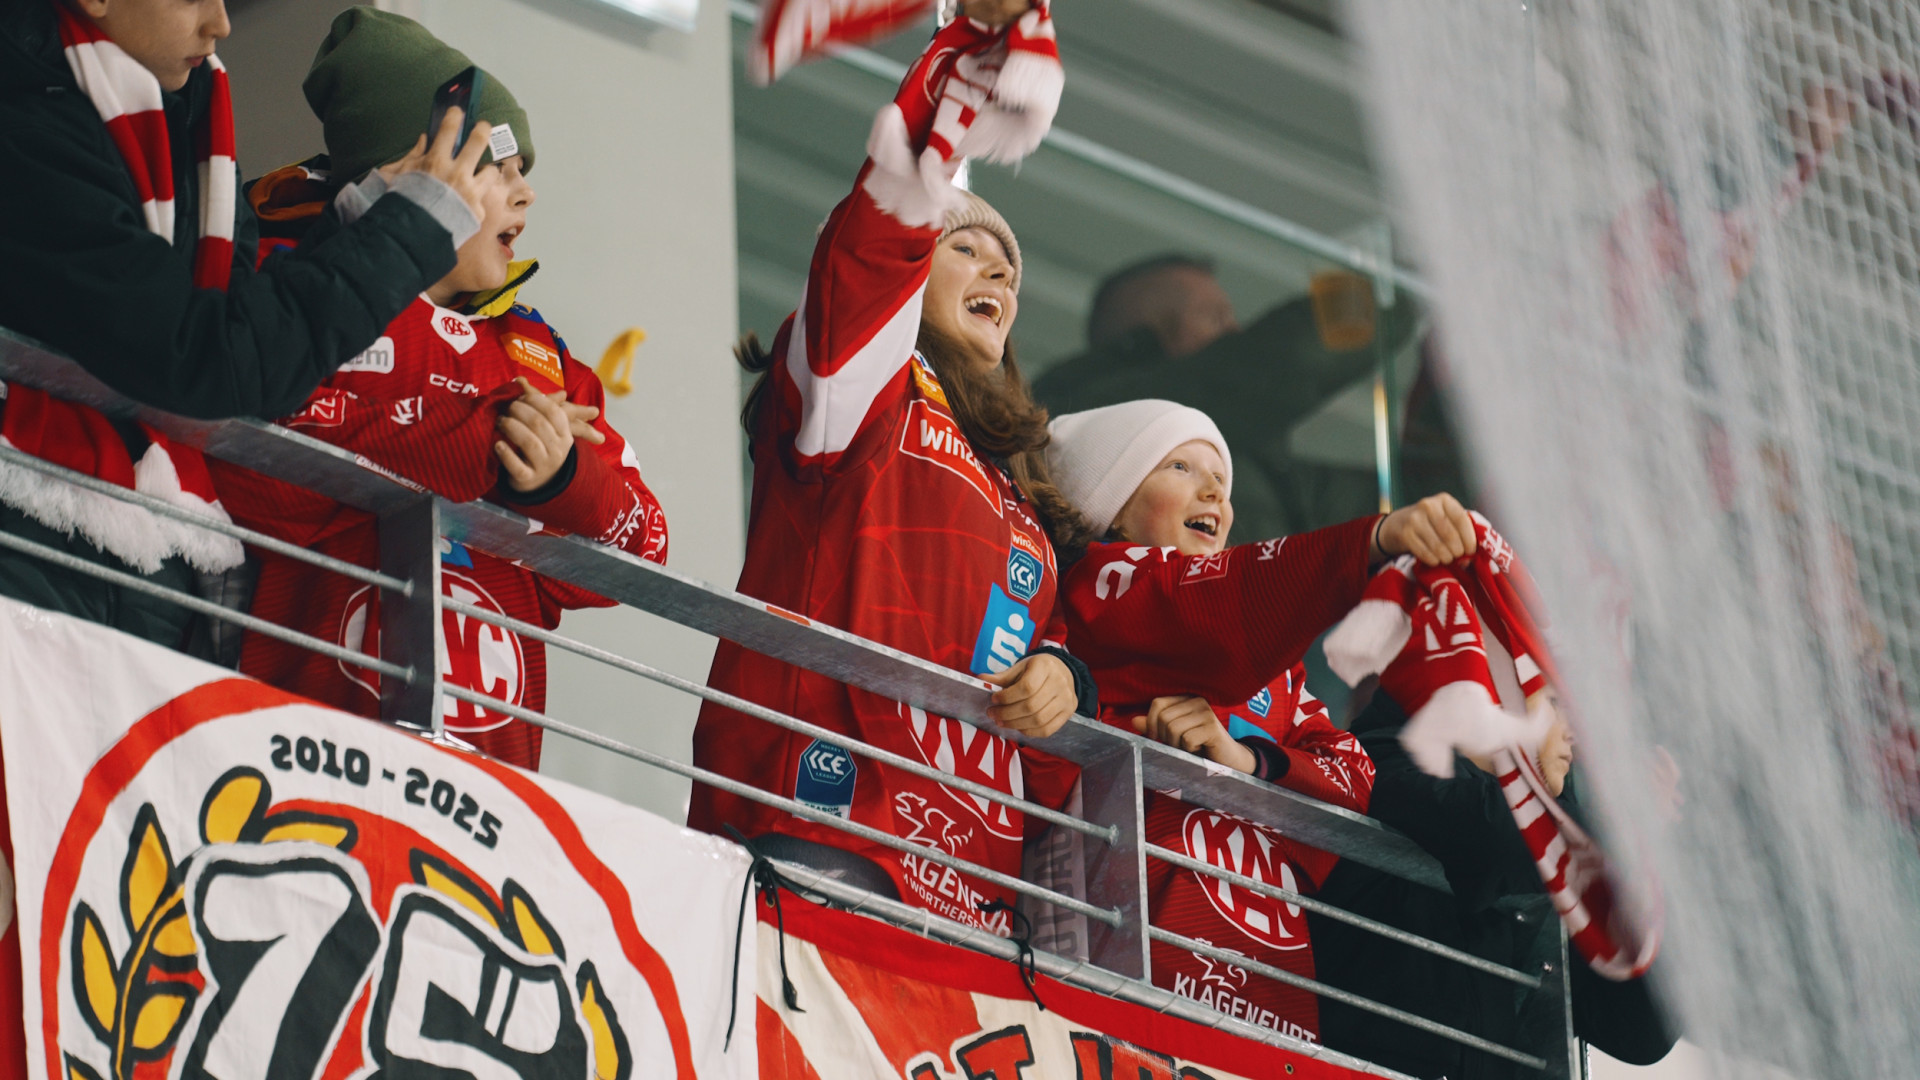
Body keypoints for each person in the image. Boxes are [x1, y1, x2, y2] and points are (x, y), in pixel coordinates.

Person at [689, 0, 1095, 933]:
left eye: (1009, 270)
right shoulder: (864, 393)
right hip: (828, 837)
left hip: (976, 898)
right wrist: (957, 80)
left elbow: (1055, 663)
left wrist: (1065, 674)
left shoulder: (1020, 495)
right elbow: (871, 255)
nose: (999, 275)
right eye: (966, 248)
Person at [206, 8, 667, 770]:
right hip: (298, 761)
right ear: (407, 173)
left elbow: (645, 546)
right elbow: (249, 477)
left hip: (488, 800)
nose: (526, 195)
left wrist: (561, 481)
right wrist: (477, 444)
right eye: (497, 167)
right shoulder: (300, 299)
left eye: (524, 172)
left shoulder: (543, 361)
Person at [0, 0, 487, 646]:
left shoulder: (189, 114)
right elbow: (206, 358)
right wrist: (406, 235)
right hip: (35, 533)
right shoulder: (24, 119)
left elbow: (238, 334)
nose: (221, 24)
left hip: (141, 548)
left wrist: (363, 221)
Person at [1045, 397, 1478, 1041]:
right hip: (1122, 997)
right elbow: (1210, 603)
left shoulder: (1276, 671)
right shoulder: (1095, 587)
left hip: (1269, 1017)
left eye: (1221, 480)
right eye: (1180, 466)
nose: (1215, 492)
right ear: (1110, 501)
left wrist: (1248, 761)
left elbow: (1355, 773)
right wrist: (1371, 541)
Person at [1308, 702, 1675, 1079]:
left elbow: (1638, 1033)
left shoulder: (1556, 841)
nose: (1575, 734)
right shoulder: (1377, 756)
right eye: (1555, 704)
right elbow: (1495, 837)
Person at [1032, 257, 1426, 541]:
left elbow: (1411, 504)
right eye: (1215, 316)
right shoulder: (1093, 413)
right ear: (1143, 342)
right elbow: (1293, 357)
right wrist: (1404, 292)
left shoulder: (1257, 468)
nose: (1235, 332)